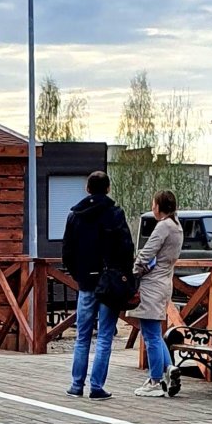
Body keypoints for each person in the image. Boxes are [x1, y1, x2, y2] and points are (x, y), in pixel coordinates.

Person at [61, 170, 135, 400]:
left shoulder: (75, 215)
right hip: (110, 282)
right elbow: (127, 248)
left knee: (82, 336)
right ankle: (96, 386)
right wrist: (123, 274)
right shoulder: (115, 213)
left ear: (87, 188)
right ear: (108, 188)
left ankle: (76, 384)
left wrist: (79, 275)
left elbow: (67, 252)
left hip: (86, 282)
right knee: (104, 336)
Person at [130, 190, 184, 399]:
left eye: (154, 204)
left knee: (150, 334)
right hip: (165, 282)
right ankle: (170, 370)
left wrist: (134, 269)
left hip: (152, 284)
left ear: (160, 206)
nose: (152, 208)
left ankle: (154, 380)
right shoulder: (177, 227)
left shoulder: (163, 226)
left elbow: (147, 252)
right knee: (154, 331)